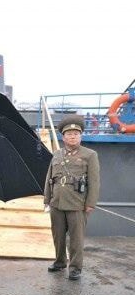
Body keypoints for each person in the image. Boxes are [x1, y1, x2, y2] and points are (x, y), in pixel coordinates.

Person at [44, 115, 100, 280]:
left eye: (76, 133)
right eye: (69, 134)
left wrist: (91, 203)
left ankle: (75, 268)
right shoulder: (56, 154)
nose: (73, 136)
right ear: (63, 136)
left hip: (77, 204)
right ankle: (60, 262)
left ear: (81, 135)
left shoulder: (90, 155)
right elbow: (49, 177)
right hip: (57, 203)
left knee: (76, 239)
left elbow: (94, 181)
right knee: (58, 236)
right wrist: (47, 199)